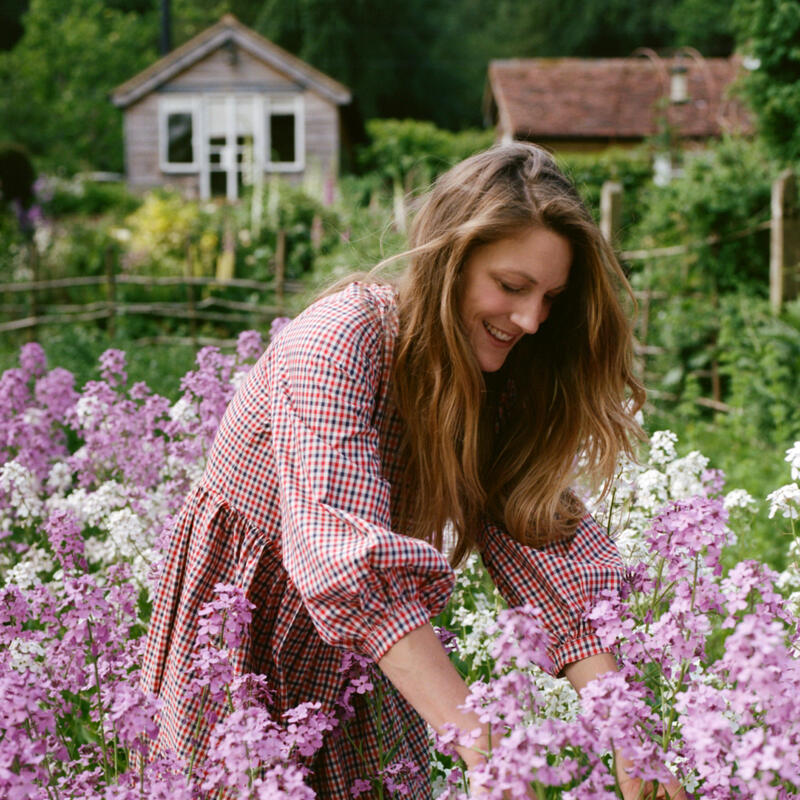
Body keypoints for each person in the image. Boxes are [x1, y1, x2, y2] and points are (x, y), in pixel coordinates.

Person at [141, 143, 686, 799]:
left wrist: (625, 731)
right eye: (512, 287)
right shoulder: (340, 337)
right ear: (448, 261)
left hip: (377, 664)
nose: (532, 320)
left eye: (551, 298)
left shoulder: (497, 381)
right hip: (241, 643)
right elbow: (337, 551)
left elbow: (544, 540)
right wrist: (485, 746)